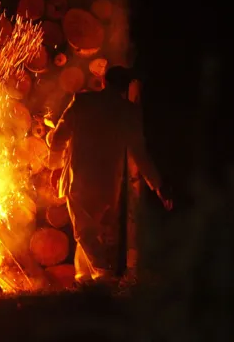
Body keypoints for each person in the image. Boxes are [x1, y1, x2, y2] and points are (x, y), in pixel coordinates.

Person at [48, 66, 172, 285]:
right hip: (108, 185)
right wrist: (158, 185)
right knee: (91, 233)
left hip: (80, 179)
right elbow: (140, 153)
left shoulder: (82, 102)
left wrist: (55, 166)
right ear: (124, 87)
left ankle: (103, 276)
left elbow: (58, 137)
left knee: (84, 232)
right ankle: (84, 279)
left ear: (103, 81)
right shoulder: (128, 112)